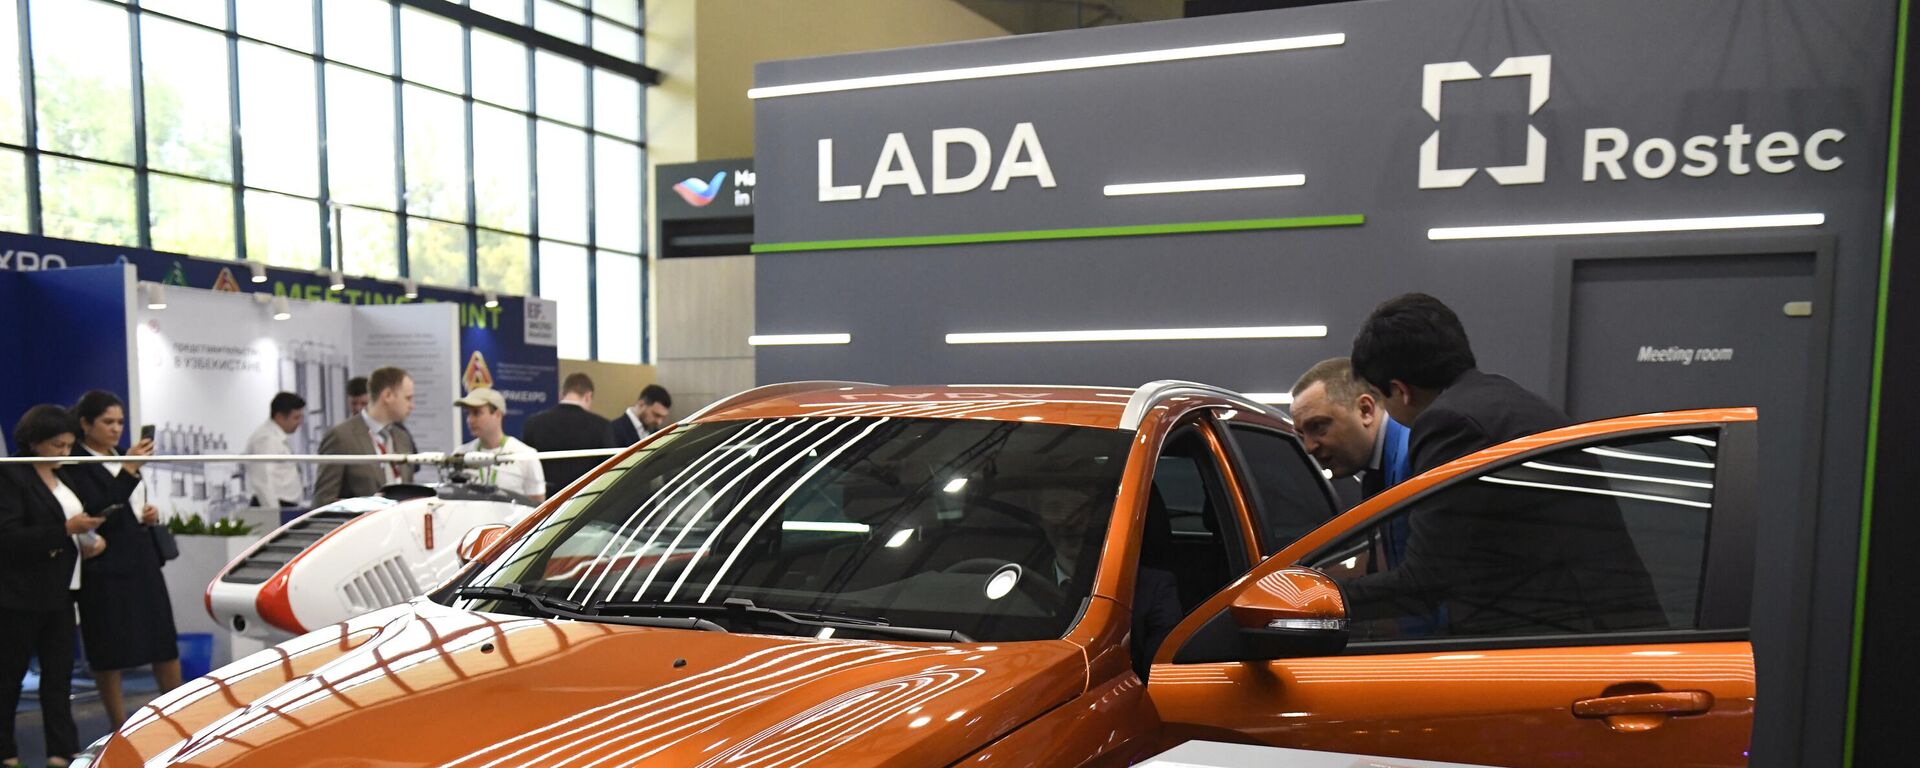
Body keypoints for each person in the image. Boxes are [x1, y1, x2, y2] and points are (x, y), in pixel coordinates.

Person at [1350, 292, 1568, 474]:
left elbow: (1437, 524)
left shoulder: (1448, 425)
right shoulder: (1514, 398)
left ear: (1400, 391)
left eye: (1378, 395)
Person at [0, 405, 107, 767]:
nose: (64, 453)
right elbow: (9, 536)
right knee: (8, 677)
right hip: (20, 594)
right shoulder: (11, 475)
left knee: (58, 678)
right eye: (56, 446)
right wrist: (65, 531)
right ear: (34, 442)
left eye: (67, 445)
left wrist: (90, 538)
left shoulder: (66, 477)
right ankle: (6, 751)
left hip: (64, 590)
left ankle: (62, 751)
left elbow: (75, 523)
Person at [67, 391, 182, 727]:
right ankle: (118, 724)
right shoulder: (76, 462)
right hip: (105, 565)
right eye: (108, 422)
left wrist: (147, 513)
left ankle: (177, 720)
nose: (116, 429)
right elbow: (97, 508)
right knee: (109, 648)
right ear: (85, 424)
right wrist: (129, 469)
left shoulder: (120, 455)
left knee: (163, 640)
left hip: (142, 557)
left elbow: (124, 503)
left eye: (119, 422)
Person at [1289, 357, 1411, 507]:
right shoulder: (1387, 465)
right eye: (1301, 434)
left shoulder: (1414, 458)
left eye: (1318, 426)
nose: (1309, 447)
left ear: (1365, 410)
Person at [312, 367, 417, 507]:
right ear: (388, 396)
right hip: (360, 526)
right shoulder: (341, 437)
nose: (412, 406)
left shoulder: (402, 438)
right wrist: (364, 505)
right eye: (408, 398)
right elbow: (323, 502)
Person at [522, 373, 614, 498]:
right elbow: (609, 471)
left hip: (545, 504)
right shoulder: (602, 427)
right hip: (584, 502)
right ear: (588, 396)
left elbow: (527, 469)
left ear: (561, 394)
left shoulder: (533, 423)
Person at [454, 388, 545, 504]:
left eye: (476, 413)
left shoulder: (525, 455)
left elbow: (538, 505)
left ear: (497, 414)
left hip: (512, 522)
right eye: (468, 413)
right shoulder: (461, 455)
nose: (470, 420)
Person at [246, 392, 307, 508]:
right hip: (274, 507)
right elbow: (263, 480)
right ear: (279, 417)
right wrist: (274, 513)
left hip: (283, 505)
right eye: (296, 418)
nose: (299, 423)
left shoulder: (276, 438)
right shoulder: (266, 439)